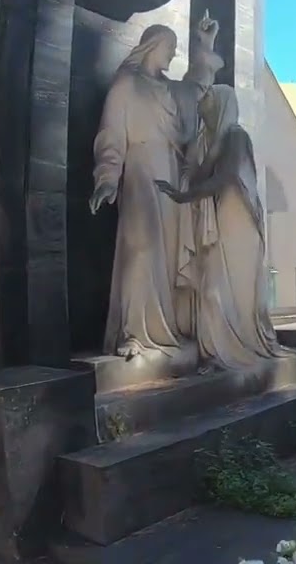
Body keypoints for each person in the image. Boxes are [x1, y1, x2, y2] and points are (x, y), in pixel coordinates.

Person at [90, 24, 203, 363]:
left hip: (170, 174)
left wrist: (206, 45)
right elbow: (111, 134)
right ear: (153, 45)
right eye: (171, 46)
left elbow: (201, 91)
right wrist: (107, 177)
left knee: (167, 255)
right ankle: (133, 331)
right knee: (140, 249)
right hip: (139, 171)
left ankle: (163, 328)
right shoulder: (126, 84)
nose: (174, 52)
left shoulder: (173, 90)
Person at [155, 84, 287, 370]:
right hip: (223, 219)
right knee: (213, 287)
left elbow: (226, 177)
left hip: (238, 221)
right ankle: (218, 352)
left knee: (227, 290)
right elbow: (200, 174)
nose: (201, 103)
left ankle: (233, 349)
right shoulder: (211, 141)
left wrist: (184, 196)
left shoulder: (235, 136)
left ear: (221, 105)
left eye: (207, 98)